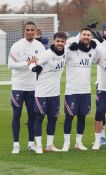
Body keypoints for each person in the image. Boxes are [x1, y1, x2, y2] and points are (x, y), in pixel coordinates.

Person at [8, 21, 45, 154]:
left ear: (35, 31)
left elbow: (43, 63)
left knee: (32, 116)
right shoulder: (17, 45)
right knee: (16, 114)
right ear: (24, 31)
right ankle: (16, 144)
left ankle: (31, 143)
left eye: (32, 30)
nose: (30, 32)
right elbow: (10, 65)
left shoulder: (40, 46)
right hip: (18, 85)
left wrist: (37, 64)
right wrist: (27, 63)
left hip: (33, 86)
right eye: (28, 30)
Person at [61, 27, 101, 152]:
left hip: (85, 90)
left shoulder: (93, 51)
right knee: (69, 117)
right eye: (84, 34)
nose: (86, 37)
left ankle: (79, 142)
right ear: (80, 36)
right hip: (71, 89)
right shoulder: (70, 50)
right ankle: (66, 143)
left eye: (88, 35)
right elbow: (60, 54)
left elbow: (99, 59)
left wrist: (99, 44)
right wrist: (68, 47)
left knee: (82, 117)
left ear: (91, 37)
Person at [31, 32, 67, 154]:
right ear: (54, 41)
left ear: (65, 42)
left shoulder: (65, 53)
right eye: (58, 41)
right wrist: (34, 68)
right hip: (42, 93)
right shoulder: (46, 54)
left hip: (55, 94)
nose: (60, 43)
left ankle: (49, 145)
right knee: (39, 118)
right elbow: (33, 63)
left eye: (62, 41)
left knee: (53, 118)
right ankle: (39, 145)